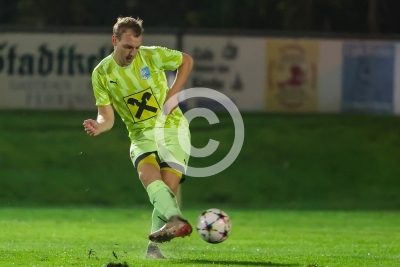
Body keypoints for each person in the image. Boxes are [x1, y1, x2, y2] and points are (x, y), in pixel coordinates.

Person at [82, 16, 194, 259]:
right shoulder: (101, 73)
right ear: (115, 40)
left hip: (173, 129)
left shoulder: (151, 56)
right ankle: (176, 221)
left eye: (136, 47)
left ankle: (155, 250)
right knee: (148, 176)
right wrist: (100, 126)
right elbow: (106, 117)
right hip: (141, 135)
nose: (133, 53)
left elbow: (186, 60)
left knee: (168, 190)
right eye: (127, 47)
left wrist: (173, 94)